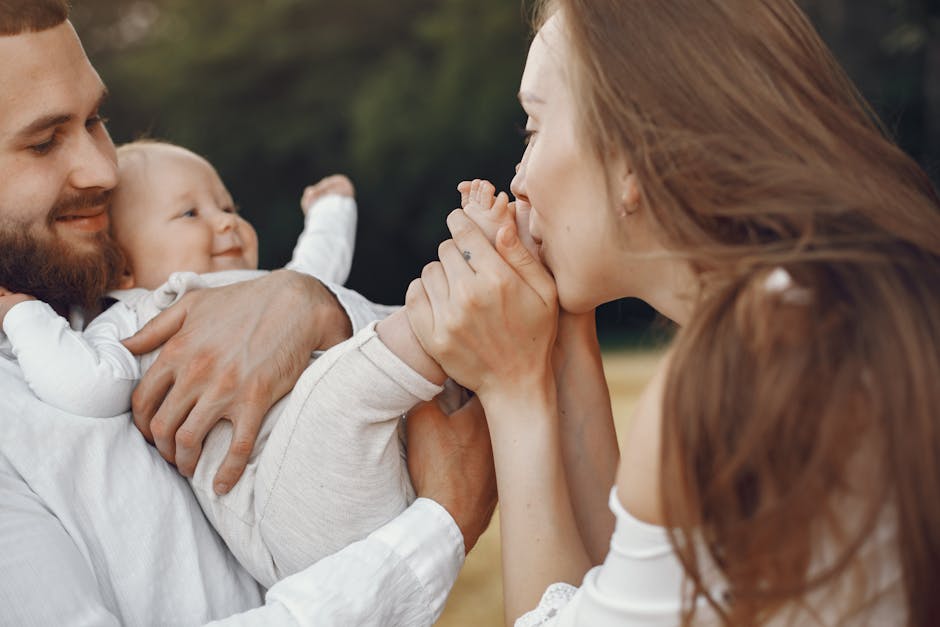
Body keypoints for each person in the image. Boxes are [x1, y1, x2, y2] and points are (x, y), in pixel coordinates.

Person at [401, 0, 940, 625]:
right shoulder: (839, 302)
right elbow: (635, 589)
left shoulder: (742, 376)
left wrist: (514, 390)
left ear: (633, 152)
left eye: (533, 128)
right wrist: (559, 336)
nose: (517, 179)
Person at [0, 3, 496, 624]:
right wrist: (437, 525)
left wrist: (309, 305)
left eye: (96, 119)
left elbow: (319, 284)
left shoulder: (91, 289)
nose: (105, 169)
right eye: (44, 140)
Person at [0, 139, 459, 587]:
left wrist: (331, 210)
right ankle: (456, 306)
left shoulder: (271, 291)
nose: (226, 223)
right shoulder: (138, 316)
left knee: (412, 373)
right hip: (290, 514)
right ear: (122, 269)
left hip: (383, 475)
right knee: (380, 353)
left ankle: (467, 346)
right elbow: (86, 385)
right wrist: (22, 314)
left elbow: (317, 268)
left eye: (229, 207)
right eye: (190, 213)